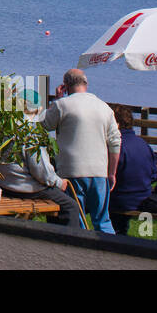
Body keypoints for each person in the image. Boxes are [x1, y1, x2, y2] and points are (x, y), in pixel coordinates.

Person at [42, 68, 121, 234]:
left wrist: (57, 99)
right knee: (103, 220)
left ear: (65, 85)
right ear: (86, 83)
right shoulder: (104, 107)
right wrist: (112, 172)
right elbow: (115, 142)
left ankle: (83, 254)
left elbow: (44, 124)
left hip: (72, 171)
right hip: (99, 171)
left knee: (78, 219)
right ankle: (112, 251)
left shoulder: (62, 105)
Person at [0, 105, 85, 231]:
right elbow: (41, 172)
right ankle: (69, 244)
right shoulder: (29, 133)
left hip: (4, 185)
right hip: (26, 189)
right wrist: (58, 182)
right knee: (70, 206)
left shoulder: (1, 128)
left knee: (57, 197)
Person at [109, 105, 157, 235]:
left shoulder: (115, 147)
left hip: (121, 199)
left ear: (116, 124)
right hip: (144, 196)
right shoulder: (143, 144)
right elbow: (153, 174)